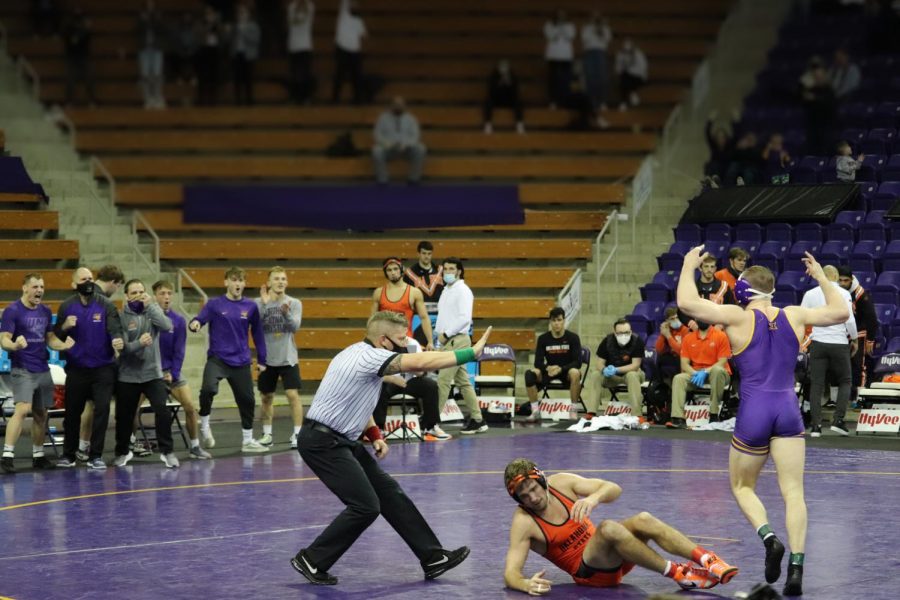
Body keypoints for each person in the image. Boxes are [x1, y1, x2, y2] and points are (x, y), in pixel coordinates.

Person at [676, 245, 850, 596]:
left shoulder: (737, 317)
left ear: (742, 291)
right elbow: (841, 311)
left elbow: (687, 304)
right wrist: (820, 278)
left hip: (755, 411)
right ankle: (797, 567)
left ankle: (770, 539)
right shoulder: (795, 315)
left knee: (742, 487)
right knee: (794, 492)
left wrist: (686, 266)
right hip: (787, 410)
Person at [290, 311, 491, 585]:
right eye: (400, 339)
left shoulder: (357, 353)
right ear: (384, 341)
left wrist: (374, 434)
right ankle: (312, 559)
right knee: (366, 506)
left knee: (390, 494)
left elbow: (357, 399)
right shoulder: (370, 357)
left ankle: (432, 557)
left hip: (340, 439)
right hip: (324, 443)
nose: (404, 344)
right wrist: (470, 353)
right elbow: (419, 362)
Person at [502, 458, 737, 594]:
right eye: (524, 496)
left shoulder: (561, 483)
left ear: (541, 479)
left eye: (533, 489)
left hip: (617, 557)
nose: (532, 498)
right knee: (607, 528)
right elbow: (510, 573)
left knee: (643, 519)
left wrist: (592, 498)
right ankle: (679, 573)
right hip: (591, 574)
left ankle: (707, 559)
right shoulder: (523, 522)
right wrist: (524, 584)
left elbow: (613, 488)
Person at [189, 266, 268, 453]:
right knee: (208, 389)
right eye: (234, 280)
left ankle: (248, 441)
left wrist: (262, 360)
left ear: (244, 283)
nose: (237, 284)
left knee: (247, 400)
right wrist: (195, 323)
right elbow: (200, 319)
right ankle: (205, 426)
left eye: (241, 280)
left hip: (241, 361)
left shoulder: (250, 306)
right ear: (226, 282)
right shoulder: (214, 304)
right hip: (218, 358)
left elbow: (258, 334)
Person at [0, 273, 74, 473]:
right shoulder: (12, 311)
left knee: (42, 414)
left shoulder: (45, 311)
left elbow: (50, 339)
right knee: (23, 409)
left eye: (41, 287)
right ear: (24, 288)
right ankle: (7, 456)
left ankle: (38, 455)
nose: (39, 290)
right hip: (22, 368)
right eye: (35, 287)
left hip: (43, 368)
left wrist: (63, 345)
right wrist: (14, 345)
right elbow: (4, 339)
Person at [54, 267, 124, 469]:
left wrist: (117, 342)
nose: (88, 283)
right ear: (74, 284)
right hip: (76, 367)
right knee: (72, 413)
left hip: (103, 368)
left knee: (102, 410)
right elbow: (56, 335)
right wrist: (65, 326)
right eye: (83, 279)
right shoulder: (67, 306)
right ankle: (69, 454)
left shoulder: (106, 305)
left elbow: (115, 331)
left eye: (90, 279)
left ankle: (96, 455)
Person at [113, 279, 179, 468]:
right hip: (128, 375)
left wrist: (151, 306)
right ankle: (123, 452)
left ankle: (167, 452)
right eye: (134, 292)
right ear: (126, 296)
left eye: (141, 291)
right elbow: (123, 348)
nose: (138, 295)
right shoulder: (120, 317)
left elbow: (167, 326)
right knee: (124, 416)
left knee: (163, 411)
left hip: (152, 374)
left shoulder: (152, 311)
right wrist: (140, 343)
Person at [153, 279, 210, 459]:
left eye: (169, 293)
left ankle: (194, 447)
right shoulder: (148, 318)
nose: (167, 297)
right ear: (155, 296)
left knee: (190, 407)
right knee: (132, 408)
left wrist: (173, 373)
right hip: (150, 374)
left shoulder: (178, 321)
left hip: (172, 373)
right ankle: (129, 445)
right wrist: (156, 372)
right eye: (162, 293)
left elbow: (179, 351)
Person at [800, 265, 856, 437]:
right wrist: (854, 339)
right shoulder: (844, 293)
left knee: (817, 383)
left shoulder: (810, 294)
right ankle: (838, 421)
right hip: (839, 342)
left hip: (818, 342)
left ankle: (816, 426)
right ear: (836, 277)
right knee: (845, 381)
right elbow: (850, 320)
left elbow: (801, 318)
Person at [434, 258, 485, 434]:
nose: (447, 272)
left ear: (459, 271)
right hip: (449, 340)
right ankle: (478, 419)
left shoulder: (463, 290)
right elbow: (444, 316)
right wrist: (439, 337)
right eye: (445, 269)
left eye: (451, 269)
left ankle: (431, 421)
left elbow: (464, 317)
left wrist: (446, 334)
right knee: (463, 381)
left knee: (443, 381)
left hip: (457, 339)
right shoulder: (446, 290)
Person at [256, 267, 305, 448]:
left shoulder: (294, 303)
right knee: (266, 397)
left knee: (292, 394)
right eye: (276, 279)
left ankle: (298, 434)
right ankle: (267, 434)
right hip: (266, 358)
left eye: (283, 279)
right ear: (268, 283)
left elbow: (295, 327)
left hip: (288, 357)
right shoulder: (258, 303)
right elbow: (256, 325)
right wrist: (265, 304)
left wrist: (285, 313)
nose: (280, 282)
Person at [372, 334, 451, 442]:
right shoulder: (385, 343)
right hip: (389, 380)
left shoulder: (412, 344)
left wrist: (410, 355)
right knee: (379, 386)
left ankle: (430, 427)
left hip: (408, 380)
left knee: (430, 385)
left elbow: (420, 372)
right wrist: (393, 379)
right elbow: (377, 372)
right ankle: (378, 428)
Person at [666, 321, 732, 429]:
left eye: (704, 318)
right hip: (696, 373)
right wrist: (695, 373)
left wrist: (705, 371)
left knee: (717, 370)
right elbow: (684, 364)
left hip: (719, 373)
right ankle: (678, 418)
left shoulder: (720, 336)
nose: (702, 320)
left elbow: (722, 362)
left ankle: (714, 414)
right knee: (679, 378)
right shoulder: (688, 338)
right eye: (700, 318)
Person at [582, 318, 645, 425]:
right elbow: (599, 363)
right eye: (620, 333)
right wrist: (604, 369)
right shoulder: (607, 341)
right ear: (615, 333)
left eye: (627, 332)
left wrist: (616, 369)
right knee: (596, 374)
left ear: (630, 331)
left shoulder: (637, 341)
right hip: (612, 376)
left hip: (632, 374)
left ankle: (637, 415)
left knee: (632, 375)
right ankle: (591, 412)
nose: (624, 335)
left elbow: (635, 365)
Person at [524, 307, 582, 420]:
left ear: (564, 320)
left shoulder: (573, 338)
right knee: (530, 374)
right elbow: (537, 362)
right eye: (554, 320)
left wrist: (561, 369)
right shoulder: (543, 339)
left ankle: (574, 410)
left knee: (575, 372)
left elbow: (577, 362)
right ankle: (535, 411)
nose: (556, 323)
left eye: (559, 320)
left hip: (566, 372)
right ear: (550, 322)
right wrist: (547, 368)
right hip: (549, 372)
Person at [837, 265, 878, 406]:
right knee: (841, 365)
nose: (842, 283)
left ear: (851, 280)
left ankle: (860, 398)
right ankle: (840, 398)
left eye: (845, 280)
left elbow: (872, 318)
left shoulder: (860, 293)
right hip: (843, 331)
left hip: (860, 330)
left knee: (858, 364)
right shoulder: (835, 291)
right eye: (840, 280)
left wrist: (870, 340)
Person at [371, 257, 433, 348]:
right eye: (389, 270)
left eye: (395, 269)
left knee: (412, 361)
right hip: (385, 343)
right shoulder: (378, 293)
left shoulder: (414, 292)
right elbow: (373, 321)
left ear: (401, 270)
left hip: (407, 342)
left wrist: (430, 341)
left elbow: (424, 318)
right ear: (385, 273)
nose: (393, 272)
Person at [372, 96, 426, 185]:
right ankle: (383, 179)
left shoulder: (411, 119)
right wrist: (388, 144)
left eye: (400, 104)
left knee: (421, 149)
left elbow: (416, 136)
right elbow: (377, 135)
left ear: (404, 106)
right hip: (388, 148)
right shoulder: (383, 118)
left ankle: (413, 178)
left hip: (406, 149)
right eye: (396, 104)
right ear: (391, 105)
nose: (398, 107)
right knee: (376, 151)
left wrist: (405, 144)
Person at [403, 240, 443, 346]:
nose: (427, 256)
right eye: (424, 253)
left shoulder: (440, 270)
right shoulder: (409, 273)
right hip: (417, 317)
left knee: (437, 349)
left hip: (439, 317)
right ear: (418, 254)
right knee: (418, 348)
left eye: (429, 254)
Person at [332, 0, 367, 103]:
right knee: (339, 76)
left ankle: (358, 99)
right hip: (343, 50)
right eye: (353, 3)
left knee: (356, 77)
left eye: (356, 4)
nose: (355, 5)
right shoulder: (344, 15)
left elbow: (364, 35)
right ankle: (335, 99)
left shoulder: (358, 20)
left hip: (355, 52)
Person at [62, 6, 96, 106]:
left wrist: (85, 30)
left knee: (90, 77)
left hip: (84, 56)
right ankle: (69, 101)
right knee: (70, 79)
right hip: (71, 57)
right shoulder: (68, 29)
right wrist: (81, 32)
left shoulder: (86, 30)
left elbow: (86, 39)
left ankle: (92, 100)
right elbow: (73, 41)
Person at [228, 4, 261, 105]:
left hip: (248, 56)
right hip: (237, 54)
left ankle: (249, 100)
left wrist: (243, 32)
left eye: (244, 12)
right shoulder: (234, 26)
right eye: (240, 13)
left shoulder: (253, 26)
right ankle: (237, 100)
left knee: (248, 79)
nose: (241, 15)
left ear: (248, 14)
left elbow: (256, 40)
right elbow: (228, 40)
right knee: (237, 79)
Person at [580, 11, 612, 112]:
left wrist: (600, 29)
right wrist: (594, 28)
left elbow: (607, 39)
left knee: (602, 78)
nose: (596, 19)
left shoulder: (605, 28)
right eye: (594, 17)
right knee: (590, 78)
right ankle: (591, 103)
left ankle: (602, 102)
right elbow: (585, 39)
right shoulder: (586, 28)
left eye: (598, 17)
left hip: (600, 53)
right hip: (589, 53)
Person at [543, 10, 576, 109]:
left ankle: (565, 101)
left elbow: (570, 36)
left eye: (563, 15)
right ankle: (552, 101)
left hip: (566, 56)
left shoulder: (570, 26)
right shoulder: (548, 25)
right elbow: (551, 36)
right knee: (553, 79)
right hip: (553, 56)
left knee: (565, 80)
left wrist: (563, 27)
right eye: (559, 15)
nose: (561, 17)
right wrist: (558, 27)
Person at [137, 0, 166, 109]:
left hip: (156, 48)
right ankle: (148, 99)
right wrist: (143, 20)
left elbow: (162, 29)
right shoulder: (140, 15)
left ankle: (158, 97)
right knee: (145, 75)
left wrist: (154, 19)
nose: (150, 4)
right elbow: (137, 30)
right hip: (144, 49)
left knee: (157, 75)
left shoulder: (158, 15)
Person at [483, 59, 525, 134]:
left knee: (518, 102)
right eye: (501, 67)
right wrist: (499, 83)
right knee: (488, 102)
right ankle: (488, 124)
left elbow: (516, 93)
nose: (503, 70)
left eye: (505, 67)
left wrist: (508, 83)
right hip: (497, 100)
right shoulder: (494, 76)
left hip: (509, 100)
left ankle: (519, 124)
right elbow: (491, 92)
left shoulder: (512, 76)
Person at [287, 0, 315, 104]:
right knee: (294, 74)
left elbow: (307, 16)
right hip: (293, 45)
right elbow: (292, 22)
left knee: (305, 73)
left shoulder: (310, 5)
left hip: (305, 45)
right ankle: (294, 97)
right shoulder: (292, 6)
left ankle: (306, 97)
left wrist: (302, 6)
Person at [196, 5, 224, 106]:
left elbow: (222, 36)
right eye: (208, 14)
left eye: (211, 14)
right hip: (204, 51)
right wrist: (208, 26)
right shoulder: (201, 24)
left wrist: (216, 24)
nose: (210, 16)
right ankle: (202, 100)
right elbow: (199, 36)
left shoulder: (217, 24)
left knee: (214, 76)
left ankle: (213, 100)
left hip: (214, 51)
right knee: (203, 76)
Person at [655, 306, 691, 383]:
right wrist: (663, 334)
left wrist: (669, 336)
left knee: (678, 360)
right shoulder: (667, 330)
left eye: (676, 317)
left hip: (683, 358)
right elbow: (658, 349)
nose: (675, 320)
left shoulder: (685, 330)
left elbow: (681, 351)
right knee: (658, 359)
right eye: (672, 319)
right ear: (667, 321)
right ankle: (659, 384)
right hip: (672, 357)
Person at [614, 38, 647, 110]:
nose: (627, 53)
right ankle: (630, 96)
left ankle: (627, 98)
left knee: (626, 79)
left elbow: (642, 69)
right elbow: (618, 69)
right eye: (626, 51)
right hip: (626, 77)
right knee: (624, 80)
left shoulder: (638, 54)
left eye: (629, 51)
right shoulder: (620, 55)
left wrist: (629, 71)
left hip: (638, 77)